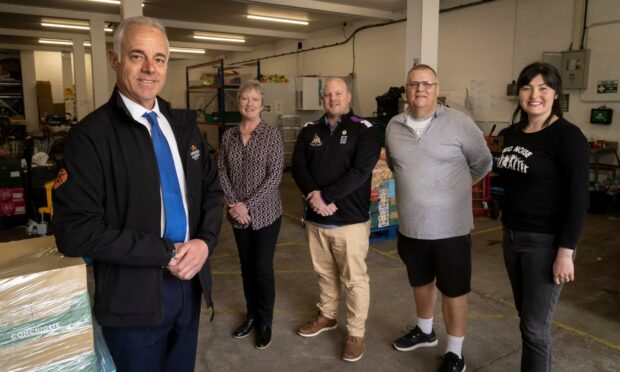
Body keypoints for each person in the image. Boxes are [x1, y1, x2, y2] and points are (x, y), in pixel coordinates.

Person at [52, 16, 223, 372]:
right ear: (115, 60)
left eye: (159, 58)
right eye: (136, 56)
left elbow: (210, 190)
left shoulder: (183, 126)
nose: (150, 69)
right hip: (132, 301)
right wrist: (165, 251)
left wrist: (205, 242)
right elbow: (75, 232)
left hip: (189, 288)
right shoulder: (90, 137)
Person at [385, 64, 492, 372]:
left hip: (451, 229)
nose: (420, 89)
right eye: (414, 84)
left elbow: (483, 162)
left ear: (437, 87)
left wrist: (454, 187)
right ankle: (425, 331)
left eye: (427, 84)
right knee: (420, 282)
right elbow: (396, 165)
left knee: (454, 290)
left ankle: (455, 353)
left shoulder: (459, 123)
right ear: (406, 89)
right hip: (411, 226)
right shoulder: (394, 126)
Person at [495, 62, 589, 372]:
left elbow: (578, 199)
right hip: (512, 237)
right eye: (527, 87)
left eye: (543, 88)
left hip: (546, 243)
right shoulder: (510, 134)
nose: (534, 95)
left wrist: (566, 251)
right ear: (519, 93)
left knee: (535, 328)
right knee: (527, 320)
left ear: (555, 94)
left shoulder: (567, 136)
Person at [292, 77, 381, 362]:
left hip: (350, 222)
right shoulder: (309, 130)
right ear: (323, 99)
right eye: (328, 94)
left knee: (355, 280)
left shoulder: (363, 130)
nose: (333, 99)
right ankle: (328, 315)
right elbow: (298, 167)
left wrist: (326, 197)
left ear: (349, 96)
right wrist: (312, 196)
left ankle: (355, 333)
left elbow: (360, 172)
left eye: (338, 94)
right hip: (317, 221)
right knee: (324, 274)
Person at [217, 80, 284, 350]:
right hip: (237, 215)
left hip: (266, 213)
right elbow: (222, 171)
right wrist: (235, 204)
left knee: (262, 268)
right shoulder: (228, 136)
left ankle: (266, 321)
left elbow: (275, 176)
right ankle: (252, 316)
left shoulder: (272, 135)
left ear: (262, 104)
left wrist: (248, 205)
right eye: (244, 98)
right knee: (246, 268)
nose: (249, 103)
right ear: (238, 102)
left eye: (254, 99)